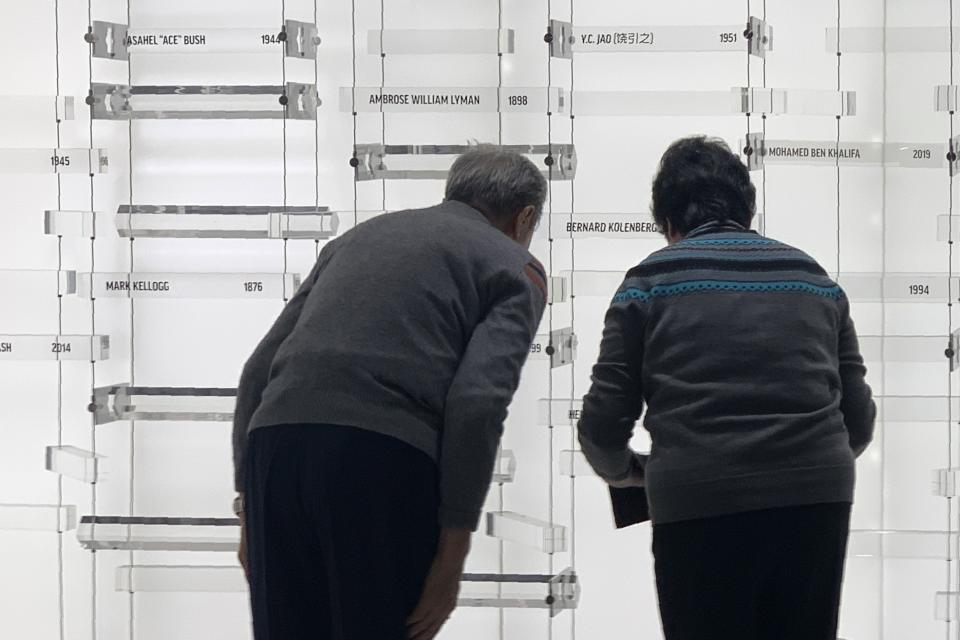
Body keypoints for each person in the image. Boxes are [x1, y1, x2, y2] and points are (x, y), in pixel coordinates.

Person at [231, 148, 548, 640]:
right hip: (379, 462)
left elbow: (256, 371)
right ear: (524, 217)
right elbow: (477, 402)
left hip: (275, 450)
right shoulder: (514, 266)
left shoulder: (355, 240)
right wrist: (453, 551)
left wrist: (249, 506)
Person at [577, 136, 876, 640]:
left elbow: (603, 425)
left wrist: (631, 475)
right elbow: (859, 420)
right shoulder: (813, 277)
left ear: (667, 221)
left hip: (698, 500)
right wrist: (800, 461)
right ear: (747, 207)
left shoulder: (648, 282)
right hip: (816, 498)